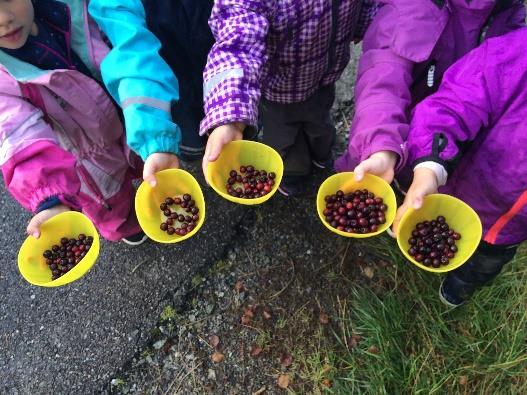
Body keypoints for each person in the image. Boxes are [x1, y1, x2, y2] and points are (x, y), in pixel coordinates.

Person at [392, 28, 527, 307]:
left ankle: (459, 288)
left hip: (510, 231)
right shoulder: (516, 54)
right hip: (459, 191)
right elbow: (452, 104)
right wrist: (430, 166)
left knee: (481, 267)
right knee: (439, 236)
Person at [0, 0, 146, 245]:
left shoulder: (66, 8)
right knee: (113, 201)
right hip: (84, 158)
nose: (3, 18)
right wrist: (49, 197)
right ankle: (129, 225)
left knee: (147, 162)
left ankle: (155, 187)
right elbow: (18, 135)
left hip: (126, 113)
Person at [335, 0, 525, 185]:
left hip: (440, 155)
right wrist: (380, 145)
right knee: (363, 189)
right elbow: (380, 80)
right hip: (384, 140)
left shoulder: (508, 18)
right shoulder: (411, 10)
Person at [199, 0, 379, 196]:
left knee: (320, 122)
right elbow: (237, 45)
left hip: (324, 78)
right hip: (279, 91)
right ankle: (292, 172)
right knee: (283, 139)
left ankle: (322, 153)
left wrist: (364, 21)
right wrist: (231, 114)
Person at [88, 0, 214, 186]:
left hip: (221, 78)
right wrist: (156, 138)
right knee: (192, 139)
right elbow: (133, 57)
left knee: (229, 132)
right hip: (172, 91)